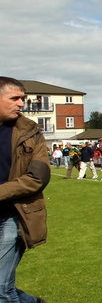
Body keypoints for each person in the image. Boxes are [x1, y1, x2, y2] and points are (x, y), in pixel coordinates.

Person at [0, 77, 50, 303]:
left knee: (2, 289)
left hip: (15, 214)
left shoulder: (31, 132)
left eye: (23, 98)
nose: (21, 103)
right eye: (14, 98)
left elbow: (37, 178)